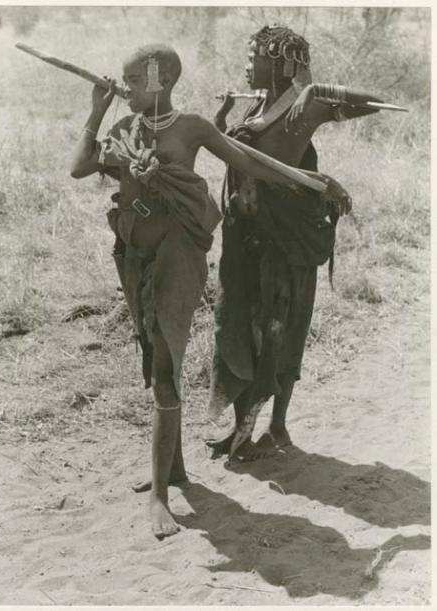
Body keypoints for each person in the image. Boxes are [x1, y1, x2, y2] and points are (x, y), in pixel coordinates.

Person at [70, 43, 351, 538]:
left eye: (133, 82)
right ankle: (173, 470)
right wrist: (97, 109)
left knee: (164, 369)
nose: (125, 89)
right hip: (134, 260)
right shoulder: (125, 130)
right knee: (153, 353)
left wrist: (312, 180)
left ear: (158, 80)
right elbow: (80, 166)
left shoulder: (193, 127)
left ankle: (160, 496)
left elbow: (250, 161)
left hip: (179, 259)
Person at [206, 25, 384, 461]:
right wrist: (222, 121)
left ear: (282, 63)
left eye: (255, 57)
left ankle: (271, 428)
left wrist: (314, 86)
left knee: (278, 331)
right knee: (242, 329)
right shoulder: (262, 106)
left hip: (284, 243)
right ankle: (246, 429)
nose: (248, 64)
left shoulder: (301, 107)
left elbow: (375, 102)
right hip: (248, 240)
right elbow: (237, 156)